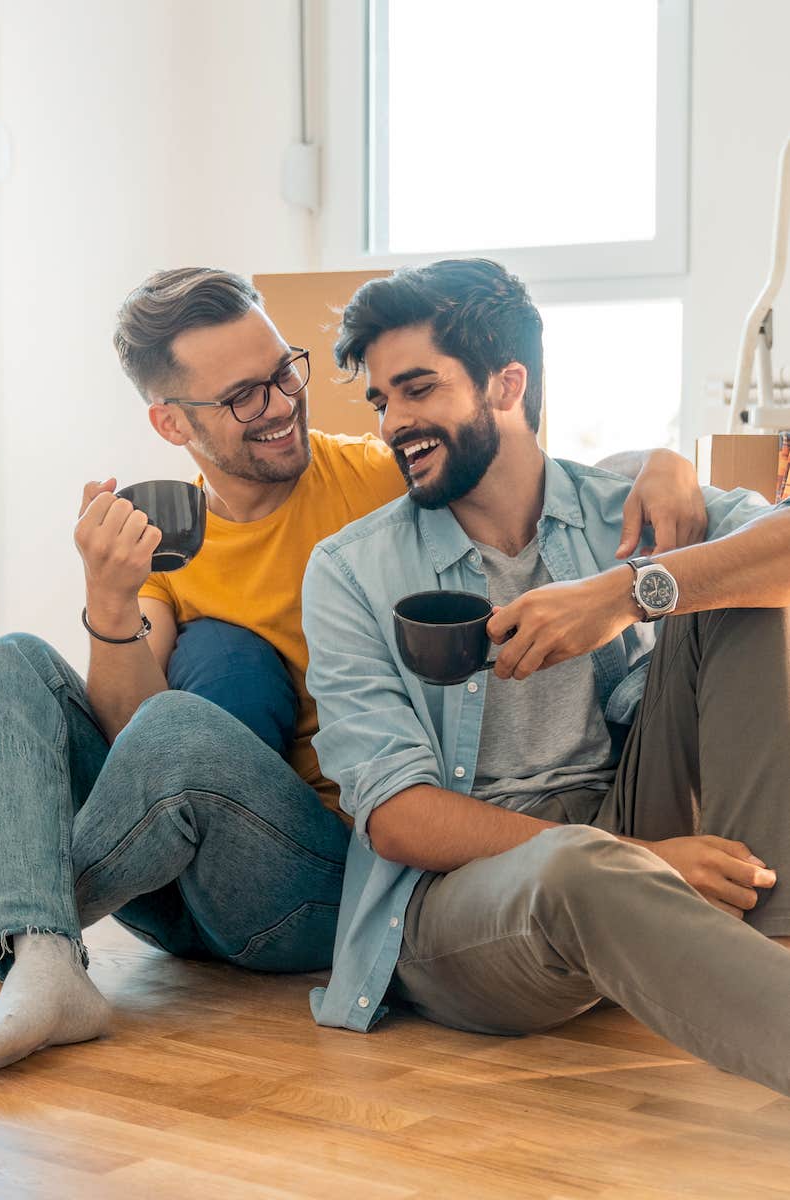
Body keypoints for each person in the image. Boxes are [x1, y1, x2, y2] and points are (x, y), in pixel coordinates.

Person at [0, 266, 706, 1075]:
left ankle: (16, 922)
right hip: (166, 877)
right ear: (170, 422)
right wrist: (109, 599)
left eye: (284, 372)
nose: (280, 404)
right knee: (4, 662)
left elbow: (523, 466)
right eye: (244, 396)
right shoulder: (167, 548)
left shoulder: (378, 478)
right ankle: (38, 941)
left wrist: (663, 463)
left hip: (319, 879)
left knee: (183, 725)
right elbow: (133, 748)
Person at [301, 257, 790, 1097]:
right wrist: (646, 861)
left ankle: (767, 943)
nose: (393, 423)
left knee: (738, 590)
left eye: (418, 389)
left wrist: (627, 592)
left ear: (507, 383)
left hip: (622, 813)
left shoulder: (619, 511)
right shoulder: (350, 570)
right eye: (382, 401)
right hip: (463, 902)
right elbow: (398, 819)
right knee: (577, 870)